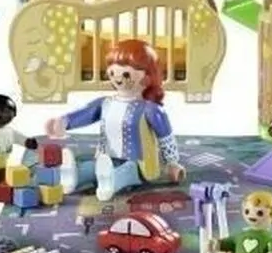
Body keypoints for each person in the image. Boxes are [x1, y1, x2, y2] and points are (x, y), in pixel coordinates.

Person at [44, 39, 183, 202]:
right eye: (112, 73)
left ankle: (111, 182)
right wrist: (64, 122)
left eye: (126, 74)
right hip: (106, 158)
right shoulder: (106, 103)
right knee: (92, 167)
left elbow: (166, 137)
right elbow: (85, 114)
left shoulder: (149, 109)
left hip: (138, 163)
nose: (117, 77)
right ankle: (75, 176)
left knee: (126, 171)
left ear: (147, 76)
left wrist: (172, 163)